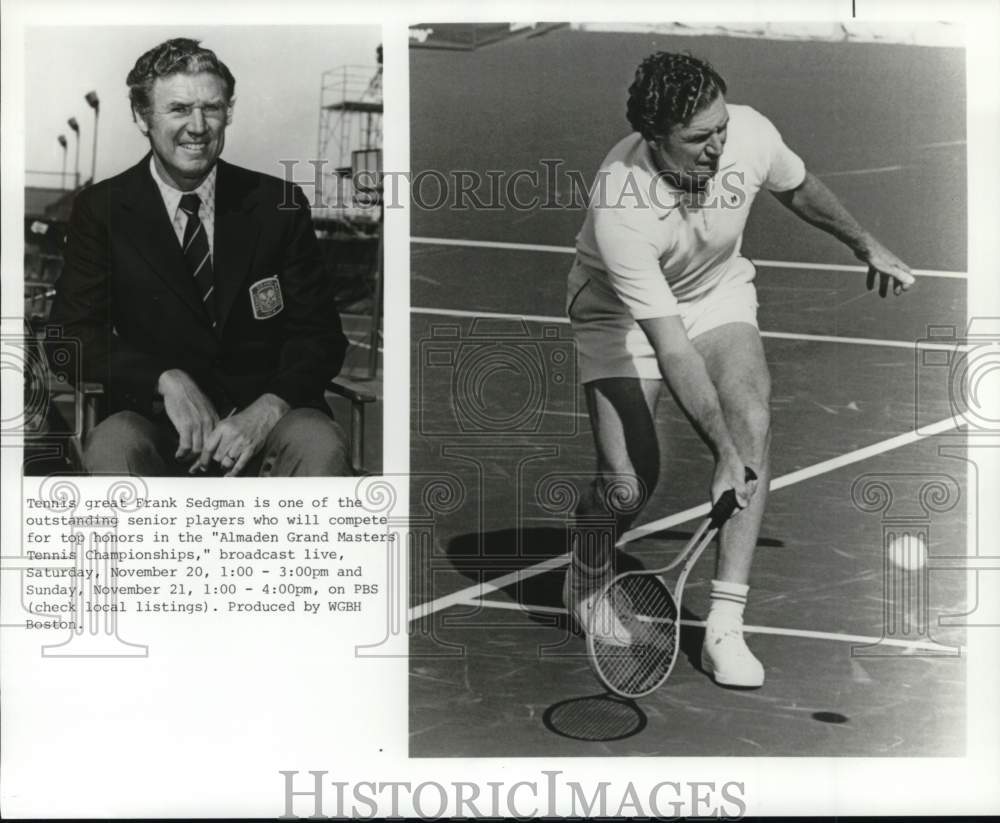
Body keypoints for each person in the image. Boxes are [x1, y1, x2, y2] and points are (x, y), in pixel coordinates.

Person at [563, 52, 913, 688]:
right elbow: (672, 349)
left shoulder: (748, 132)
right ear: (653, 139)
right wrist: (719, 451)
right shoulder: (623, 207)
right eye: (698, 138)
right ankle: (585, 578)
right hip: (620, 317)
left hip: (716, 292)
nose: (717, 147)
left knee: (752, 415)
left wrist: (864, 241)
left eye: (719, 127)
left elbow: (797, 186)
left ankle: (726, 621)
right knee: (629, 482)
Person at [51, 38, 351, 477]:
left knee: (319, 442)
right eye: (178, 109)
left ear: (228, 111)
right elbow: (67, 337)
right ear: (141, 116)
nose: (198, 126)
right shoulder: (103, 209)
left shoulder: (276, 204)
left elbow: (321, 335)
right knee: (114, 446)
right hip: (158, 425)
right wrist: (164, 380)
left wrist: (267, 409)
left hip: (266, 423)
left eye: (211, 108)